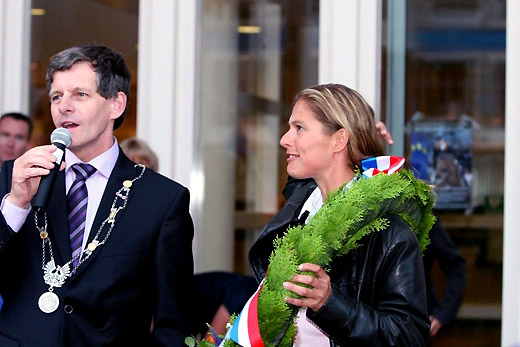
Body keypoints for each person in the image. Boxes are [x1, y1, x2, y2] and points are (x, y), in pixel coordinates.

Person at [0, 45, 194, 346]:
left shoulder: (162, 200)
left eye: (79, 94)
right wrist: (15, 204)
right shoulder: (16, 176)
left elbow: (173, 324)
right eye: (56, 96)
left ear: (116, 105)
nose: (64, 106)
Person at [248, 84, 432, 345]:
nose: (284, 139)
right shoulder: (300, 210)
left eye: (299, 128)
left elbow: (410, 338)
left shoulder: (390, 232)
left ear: (339, 140)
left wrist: (330, 303)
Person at [423, 217, 466, 337]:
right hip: (376, 318)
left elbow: (456, 266)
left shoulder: (425, 217)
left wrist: (444, 313)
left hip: (419, 317)